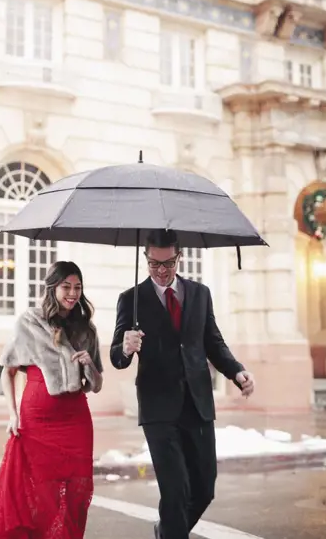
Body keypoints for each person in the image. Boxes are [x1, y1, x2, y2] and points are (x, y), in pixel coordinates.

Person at [110, 230, 255, 539]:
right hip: (158, 408)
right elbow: (116, 359)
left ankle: (166, 533)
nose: (161, 271)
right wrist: (126, 347)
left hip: (197, 403)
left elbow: (213, 343)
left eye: (168, 263)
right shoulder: (131, 300)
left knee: (204, 488)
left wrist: (237, 372)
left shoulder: (200, 294)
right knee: (175, 492)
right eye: (153, 264)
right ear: (145, 259)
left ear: (179, 257)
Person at [0, 261, 103, 539]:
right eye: (66, 287)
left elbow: (96, 385)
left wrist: (89, 364)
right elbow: (7, 372)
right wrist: (13, 415)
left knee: (76, 492)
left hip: (75, 420)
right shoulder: (29, 322)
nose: (72, 293)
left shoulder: (87, 329)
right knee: (39, 491)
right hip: (36, 421)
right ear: (52, 288)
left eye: (77, 287)